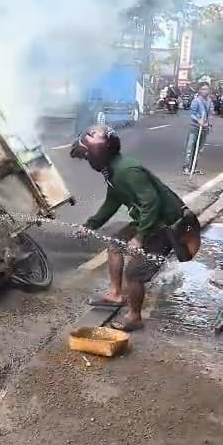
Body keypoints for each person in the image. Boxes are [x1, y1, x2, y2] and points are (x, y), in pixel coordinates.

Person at [71, 125, 195, 332]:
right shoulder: (113, 171)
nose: (86, 159)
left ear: (97, 153)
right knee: (115, 246)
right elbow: (113, 201)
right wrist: (91, 225)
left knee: (134, 273)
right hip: (150, 220)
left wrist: (139, 237)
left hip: (167, 225)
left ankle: (134, 317)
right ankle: (115, 294)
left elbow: (151, 203)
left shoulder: (127, 170)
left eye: (86, 155)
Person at [182, 82, 214, 175]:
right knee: (190, 147)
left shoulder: (209, 102)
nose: (205, 91)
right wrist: (198, 120)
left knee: (199, 149)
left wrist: (208, 123)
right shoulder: (196, 101)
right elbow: (192, 114)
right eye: (203, 89)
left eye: (207, 89)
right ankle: (186, 167)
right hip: (194, 127)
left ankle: (193, 167)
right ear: (200, 90)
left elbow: (210, 114)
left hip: (204, 128)